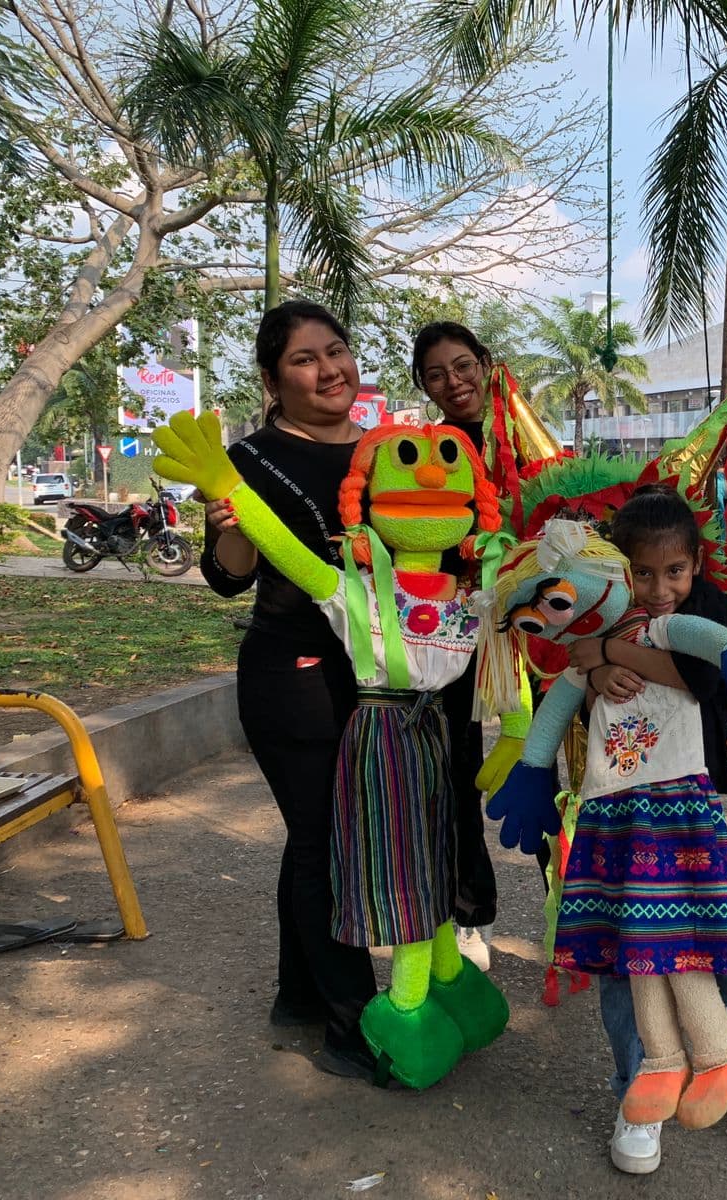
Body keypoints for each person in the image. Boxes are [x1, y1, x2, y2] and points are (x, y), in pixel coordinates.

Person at [567, 486, 727, 1184]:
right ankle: (639, 1099)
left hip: (686, 811)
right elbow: (552, 653)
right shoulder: (602, 603)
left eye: (673, 571)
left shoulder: (709, 609)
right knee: (624, 962)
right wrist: (590, 665)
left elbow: (704, 678)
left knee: (716, 956)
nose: (658, 588)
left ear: (696, 564)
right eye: (641, 573)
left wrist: (607, 650)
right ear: (618, 567)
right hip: (613, 806)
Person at [200, 300, 377, 1077]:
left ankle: (298, 994)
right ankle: (351, 1025)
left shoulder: (388, 452)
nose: (329, 368)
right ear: (273, 380)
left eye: (336, 350)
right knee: (325, 845)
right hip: (292, 677)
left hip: (374, 678)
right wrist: (230, 523)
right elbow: (225, 580)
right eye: (306, 359)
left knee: (315, 838)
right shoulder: (250, 458)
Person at [411, 320, 501, 971]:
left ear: (486, 364)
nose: (453, 381)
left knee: (556, 774)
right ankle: (466, 915)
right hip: (458, 630)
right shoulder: (428, 451)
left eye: (462, 365)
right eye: (437, 373)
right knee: (458, 770)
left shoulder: (527, 438)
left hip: (541, 631)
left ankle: (577, 918)